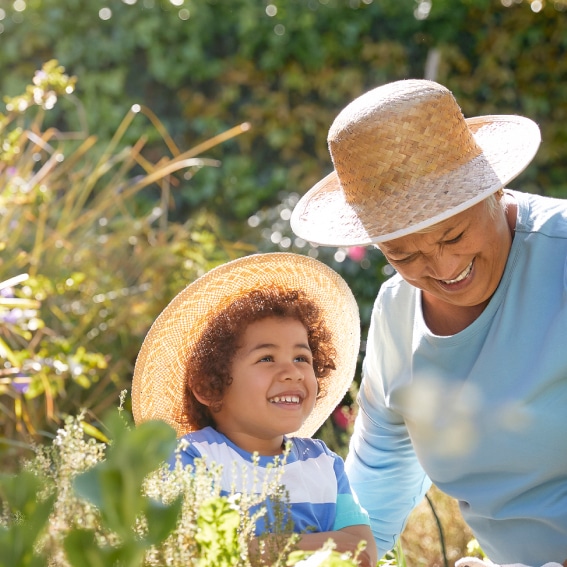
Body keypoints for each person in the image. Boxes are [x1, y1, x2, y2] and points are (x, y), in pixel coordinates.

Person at [289, 79, 567, 567]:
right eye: (404, 253)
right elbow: (376, 487)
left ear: (493, 185)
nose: (441, 269)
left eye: (454, 234)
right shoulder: (397, 315)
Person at [131, 252, 377, 567]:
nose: (293, 372)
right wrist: (322, 545)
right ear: (210, 386)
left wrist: (265, 547)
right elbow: (203, 551)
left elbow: (364, 548)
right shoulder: (193, 459)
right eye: (266, 358)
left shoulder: (323, 463)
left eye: (302, 358)